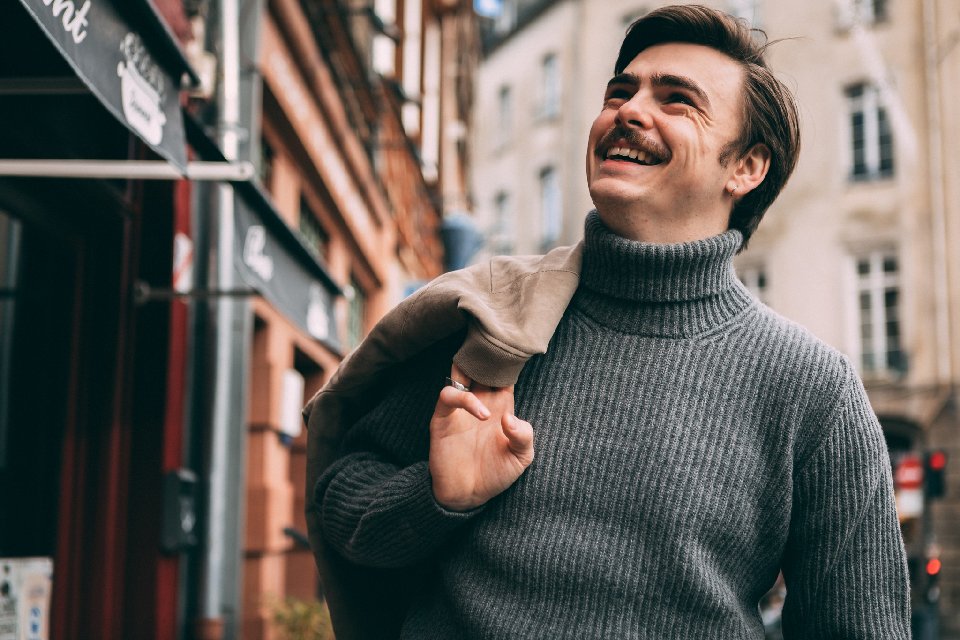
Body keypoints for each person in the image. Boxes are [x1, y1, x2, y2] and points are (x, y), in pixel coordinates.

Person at [304, 5, 910, 639]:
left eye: (678, 101)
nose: (629, 110)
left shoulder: (812, 388)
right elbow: (343, 507)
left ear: (746, 168)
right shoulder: (488, 317)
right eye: (620, 91)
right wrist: (438, 495)